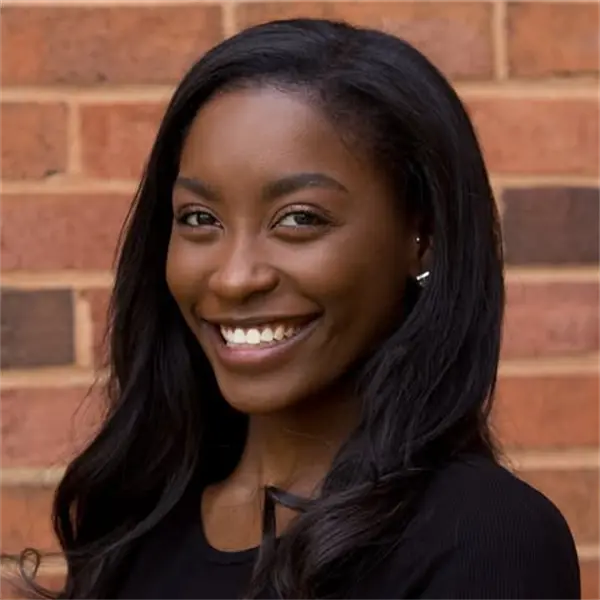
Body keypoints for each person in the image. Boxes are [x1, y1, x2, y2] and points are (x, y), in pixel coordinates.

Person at [9, 18, 580, 600]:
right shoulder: (139, 523)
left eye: (300, 218)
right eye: (200, 219)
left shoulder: (485, 539)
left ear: (422, 237)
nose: (233, 278)